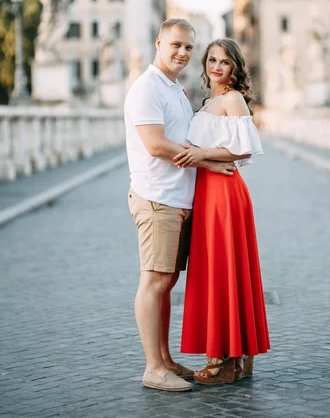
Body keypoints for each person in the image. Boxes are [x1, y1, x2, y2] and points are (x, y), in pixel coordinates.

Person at [124, 20, 237, 392]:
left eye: (189, 48)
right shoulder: (146, 88)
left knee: (167, 281)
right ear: (159, 42)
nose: (182, 53)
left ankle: (166, 359)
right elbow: (155, 145)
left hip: (178, 199)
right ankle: (153, 368)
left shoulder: (174, 88)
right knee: (154, 281)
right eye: (175, 45)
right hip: (158, 199)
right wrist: (207, 160)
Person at [176, 38, 270, 385]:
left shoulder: (232, 99)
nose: (216, 67)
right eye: (212, 60)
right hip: (207, 191)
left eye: (224, 62)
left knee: (222, 270)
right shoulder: (209, 101)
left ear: (235, 68)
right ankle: (239, 354)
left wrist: (200, 156)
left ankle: (222, 360)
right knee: (219, 270)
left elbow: (244, 149)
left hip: (225, 193)